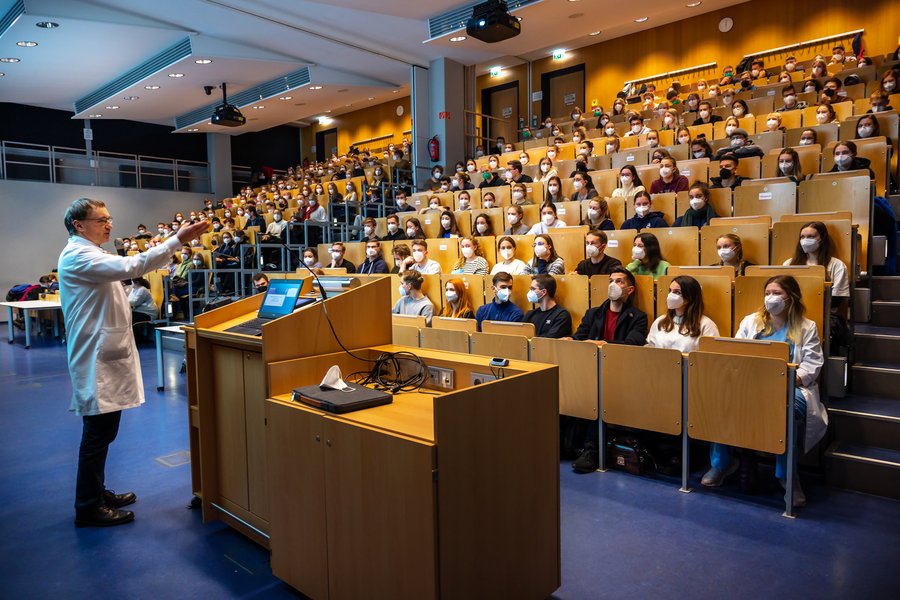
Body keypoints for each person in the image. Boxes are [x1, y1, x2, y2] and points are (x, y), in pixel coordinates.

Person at [58, 197, 209, 527]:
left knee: (104, 431)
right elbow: (133, 267)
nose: (108, 224)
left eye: (109, 218)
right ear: (79, 226)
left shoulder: (93, 252)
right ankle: (87, 505)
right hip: (95, 356)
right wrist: (178, 239)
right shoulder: (78, 254)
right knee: (97, 434)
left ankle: (97, 492)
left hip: (104, 352)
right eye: (101, 220)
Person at [702, 275, 824, 507]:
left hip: (789, 388)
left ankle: (787, 475)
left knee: (783, 411)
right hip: (749, 385)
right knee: (722, 401)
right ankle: (722, 464)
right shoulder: (751, 322)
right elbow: (735, 352)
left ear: (791, 298)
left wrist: (791, 380)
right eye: (768, 293)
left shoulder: (807, 327)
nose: (771, 298)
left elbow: (812, 364)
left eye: (777, 293)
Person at [569, 267, 648, 473]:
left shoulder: (637, 317)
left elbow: (633, 343)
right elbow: (579, 339)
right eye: (611, 280)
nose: (613, 284)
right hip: (589, 370)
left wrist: (603, 343)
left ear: (629, 290)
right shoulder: (593, 313)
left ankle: (592, 451)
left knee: (601, 397)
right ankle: (569, 444)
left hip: (621, 372)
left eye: (620, 281)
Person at [646, 275, 719, 353]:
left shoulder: (706, 325)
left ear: (689, 296)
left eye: (677, 292)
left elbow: (711, 358)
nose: (671, 295)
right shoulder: (660, 321)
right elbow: (650, 350)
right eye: (670, 291)